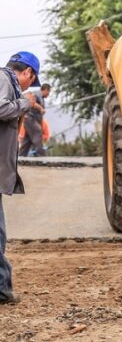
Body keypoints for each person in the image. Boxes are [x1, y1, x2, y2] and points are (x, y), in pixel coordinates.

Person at [0, 51, 42, 305]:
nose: (29, 86)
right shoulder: (4, 77)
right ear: (27, 72)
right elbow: (2, 108)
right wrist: (25, 103)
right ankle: (2, 291)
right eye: (31, 80)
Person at [19, 83, 51, 157]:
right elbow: (30, 101)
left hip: (32, 120)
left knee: (27, 140)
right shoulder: (36, 94)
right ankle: (41, 156)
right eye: (49, 92)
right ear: (45, 90)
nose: (48, 94)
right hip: (30, 118)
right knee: (38, 132)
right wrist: (40, 108)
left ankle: (21, 157)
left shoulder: (41, 97)